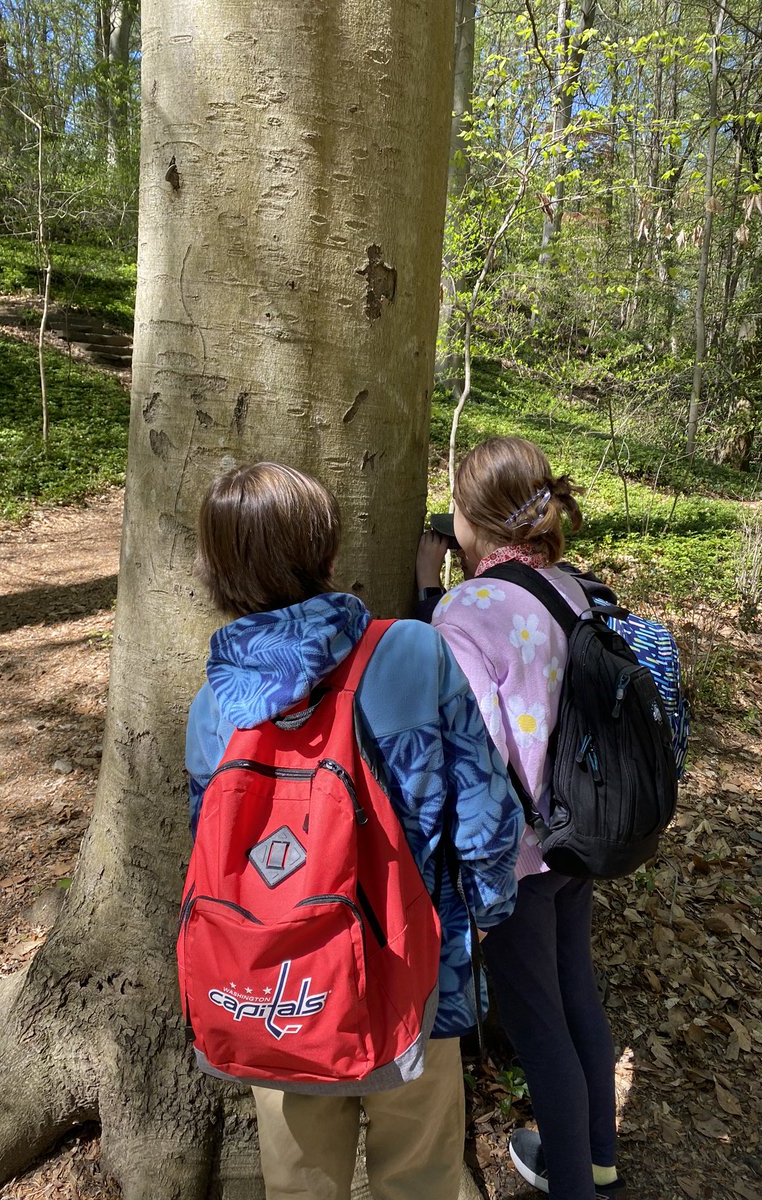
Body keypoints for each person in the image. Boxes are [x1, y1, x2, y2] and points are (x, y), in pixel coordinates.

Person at [185, 461, 524, 1200]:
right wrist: (488, 915)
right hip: (415, 984)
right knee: (425, 1178)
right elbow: (488, 821)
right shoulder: (410, 652)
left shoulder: (213, 706)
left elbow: (209, 857)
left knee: (301, 1188)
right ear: (329, 555)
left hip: (277, 995)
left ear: (216, 572)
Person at [416, 436, 627, 1200]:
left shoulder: (468, 609)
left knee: (538, 1028)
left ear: (470, 521)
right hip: (578, 837)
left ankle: (576, 1186)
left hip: (518, 860)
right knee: (578, 1000)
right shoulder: (569, 587)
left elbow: (473, 750)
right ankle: (597, 1156)